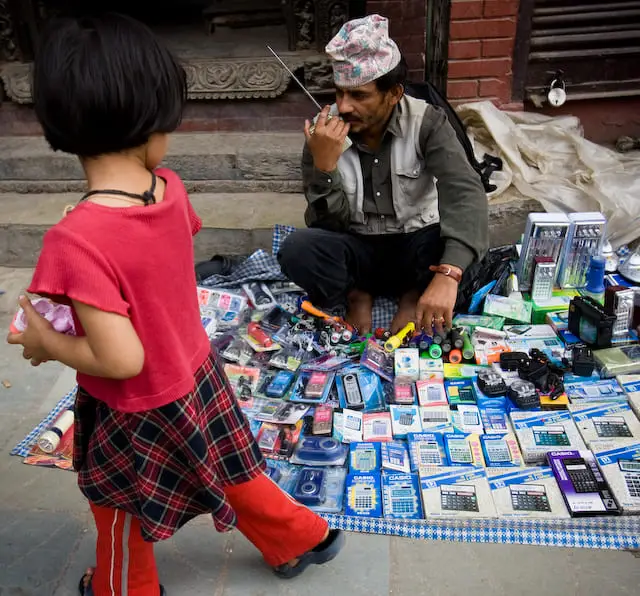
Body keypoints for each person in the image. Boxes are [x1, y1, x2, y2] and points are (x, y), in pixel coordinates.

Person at [6, 14, 343, 596]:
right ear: (149, 122)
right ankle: (301, 536)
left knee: (119, 508)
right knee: (233, 468)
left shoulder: (75, 240)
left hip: (134, 409)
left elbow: (119, 360)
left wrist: (45, 342)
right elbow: (160, 246)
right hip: (196, 375)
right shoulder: (168, 188)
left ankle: (119, 588)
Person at [278, 14, 489, 336]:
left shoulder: (427, 121)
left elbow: (463, 189)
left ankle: (413, 295)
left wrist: (448, 274)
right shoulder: (325, 133)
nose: (344, 107)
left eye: (359, 95)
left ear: (394, 94)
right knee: (298, 249)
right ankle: (356, 295)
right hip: (358, 246)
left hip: (416, 242)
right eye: (339, 93)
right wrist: (324, 168)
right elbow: (326, 225)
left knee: (465, 249)